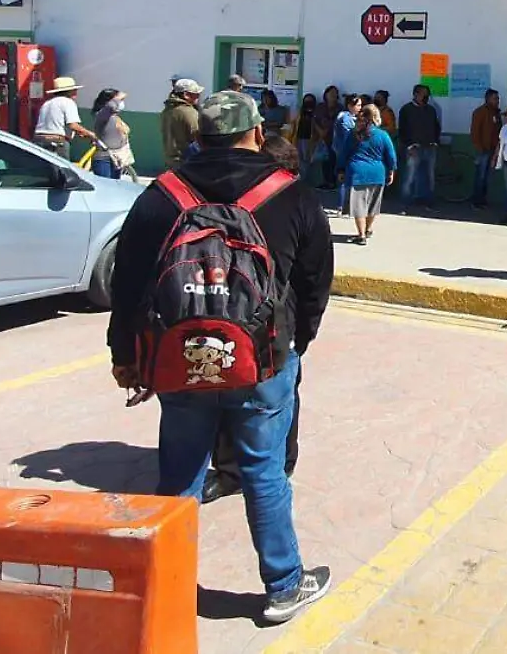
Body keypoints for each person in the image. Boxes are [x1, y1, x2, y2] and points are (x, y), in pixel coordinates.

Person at [106, 90, 335, 622]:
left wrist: (124, 354)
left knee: (181, 472)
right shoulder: (291, 193)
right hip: (264, 361)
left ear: (199, 137)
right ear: (256, 133)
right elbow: (316, 280)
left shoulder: (162, 194)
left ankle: (160, 580)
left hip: (177, 359)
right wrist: (297, 338)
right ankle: (283, 586)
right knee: (263, 470)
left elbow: (129, 281)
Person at [204, 129, 303, 505]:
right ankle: (239, 468)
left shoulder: (295, 204)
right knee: (235, 391)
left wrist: (303, 330)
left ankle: (275, 463)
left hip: (275, 321)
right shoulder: (234, 202)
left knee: (274, 395)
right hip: (239, 315)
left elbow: (315, 275)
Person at [342, 105, 397, 245]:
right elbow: (391, 155)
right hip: (377, 172)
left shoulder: (354, 134)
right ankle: (367, 229)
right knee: (373, 205)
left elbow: (344, 153)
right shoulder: (382, 134)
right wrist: (391, 170)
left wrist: (340, 170)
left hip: (357, 172)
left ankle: (361, 235)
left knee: (359, 205)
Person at [396, 84, 443, 212]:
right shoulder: (406, 109)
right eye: (424, 94)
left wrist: (435, 141)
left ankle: (427, 202)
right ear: (416, 94)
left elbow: (436, 126)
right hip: (414, 148)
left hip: (430, 147)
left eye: (427, 94)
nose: (426, 97)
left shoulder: (431, 110)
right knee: (409, 177)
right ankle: (405, 204)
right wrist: (408, 145)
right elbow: (402, 130)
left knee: (429, 176)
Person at [34, 76, 98, 157]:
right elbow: (73, 125)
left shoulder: (47, 103)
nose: (76, 92)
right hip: (56, 141)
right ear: (68, 91)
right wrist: (91, 135)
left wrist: (82, 133)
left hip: (39, 139)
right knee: (61, 168)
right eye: (74, 90)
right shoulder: (68, 102)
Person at [332, 94, 366, 215]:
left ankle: (348, 205)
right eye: (358, 105)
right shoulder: (345, 118)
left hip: (351, 152)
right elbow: (348, 136)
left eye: (361, 105)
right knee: (344, 178)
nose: (360, 108)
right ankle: (342, 206)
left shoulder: (355, 118)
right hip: (345, 152)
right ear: (350, 106)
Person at [90, 87, 134, 180]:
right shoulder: (102, 114)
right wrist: (118, 97)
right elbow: (110, 106)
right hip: (104, 159)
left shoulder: (114, 116)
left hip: (116, 158)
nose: (121, 103)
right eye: (119, 100)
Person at [161, 78, 204, 170]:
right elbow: (197, 135)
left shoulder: (167, 110)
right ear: (186, 95)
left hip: (171, 160)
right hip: (186, 161)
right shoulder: (188, 112)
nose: (198, 96)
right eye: (196, 94)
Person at [469, 89, 502, 209]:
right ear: (488, 99)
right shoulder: (480, 112)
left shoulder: (497, 113)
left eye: (498, 98)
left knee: (488, 177)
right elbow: (474, 132)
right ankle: (476, 201)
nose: (498, 101)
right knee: (480, 176)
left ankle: (483, 200)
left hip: (493, 150)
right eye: (495, 98)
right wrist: (480, 148)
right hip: (483, 150)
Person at [313, 88, 341, 190]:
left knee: (333, 160)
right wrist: (320, 130)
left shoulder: (339, 108)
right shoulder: (320, 107)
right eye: (331, 94)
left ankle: (332, 182)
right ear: (326, 95)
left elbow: (339, 121)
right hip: (322, 137)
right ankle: (326, 181)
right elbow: (315, 119)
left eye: (335, 94)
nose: (333, 96)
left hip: (334, 137)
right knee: (324, 160)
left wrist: (328, 129)